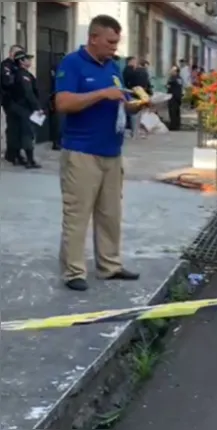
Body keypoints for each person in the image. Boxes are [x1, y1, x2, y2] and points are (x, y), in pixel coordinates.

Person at [54, 14, 148, 292]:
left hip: (112, 151)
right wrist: (100, 94)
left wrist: (137, 105)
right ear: (93, 38)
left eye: (117, 42)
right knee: (77, 214)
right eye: (110, 42)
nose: (114, 47)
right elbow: (63, 102)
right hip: (82, 152)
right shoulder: (72, 63)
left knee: (110, 214)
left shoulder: (113, 67)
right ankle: (73, 271)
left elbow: (120, 100)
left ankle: (110, 265)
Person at [8, 50, 42, 168]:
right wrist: (37, 107)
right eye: (27, 59)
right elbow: (28, 93)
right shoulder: (23, 75)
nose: (30, 61)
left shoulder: (18, 73)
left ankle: (17, 158)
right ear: (21, 61)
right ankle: (30, 160)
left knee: (17, 133)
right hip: (23, 108)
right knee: (27, 133)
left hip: (16, 107)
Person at [2, 45, 25, 164]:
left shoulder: (17, 66)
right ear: (11, 53)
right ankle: (11, 154)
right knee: (12, 128)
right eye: (17, 53)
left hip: (19, 101)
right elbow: (8, 82)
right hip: (10, 100)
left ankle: (17, 152)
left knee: (19, 128)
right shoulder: (6, 65)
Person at [122, 56, 138, 137]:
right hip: (130, 93)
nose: (136, 63)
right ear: (130, 62)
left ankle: (132, 131)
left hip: (129, 92)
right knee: (133, 113)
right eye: (134, 61)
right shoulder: (129, 70)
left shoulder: (127, 69)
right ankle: (133, 131)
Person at [166, 65, 183, 130]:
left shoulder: (173, 78)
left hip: (173, 97)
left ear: (176, 71)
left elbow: (168, 85)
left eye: (172, 70)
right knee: (176, 112)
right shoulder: (179, 78)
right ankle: (177, 125)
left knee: (172, 112)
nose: (171, 71)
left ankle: (173, 126)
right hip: (178, 97)